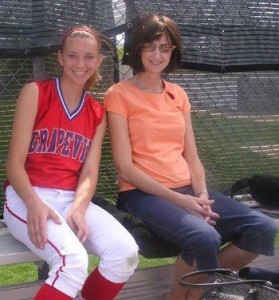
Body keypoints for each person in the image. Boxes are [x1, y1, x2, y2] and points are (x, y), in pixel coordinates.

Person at [104, 13, 277, 300]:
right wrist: (183, 201)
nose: (157, 54)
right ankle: (190, 294)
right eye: (150, 46)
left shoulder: (178, 94)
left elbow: (192, 157)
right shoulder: (119, 94)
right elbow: (125, 166)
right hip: (141, 194)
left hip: (188, 189)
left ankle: (195, 287)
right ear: (138, 49)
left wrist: (202, 197)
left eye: (164, 47)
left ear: (173, 51)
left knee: (262, 228)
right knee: (203, 236)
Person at [4, 24, 139, 300]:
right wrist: (34, 204)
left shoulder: (96, 112)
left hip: (71, 200)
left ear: (99, 60)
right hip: (27, 196)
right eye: (72, 56)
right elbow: (13, 164)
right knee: (73, 261)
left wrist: (79, 208)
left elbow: (89, 172)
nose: (80, 64)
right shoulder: (36, 92)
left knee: (125, 253)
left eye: (89, 57)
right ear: (60, 58)